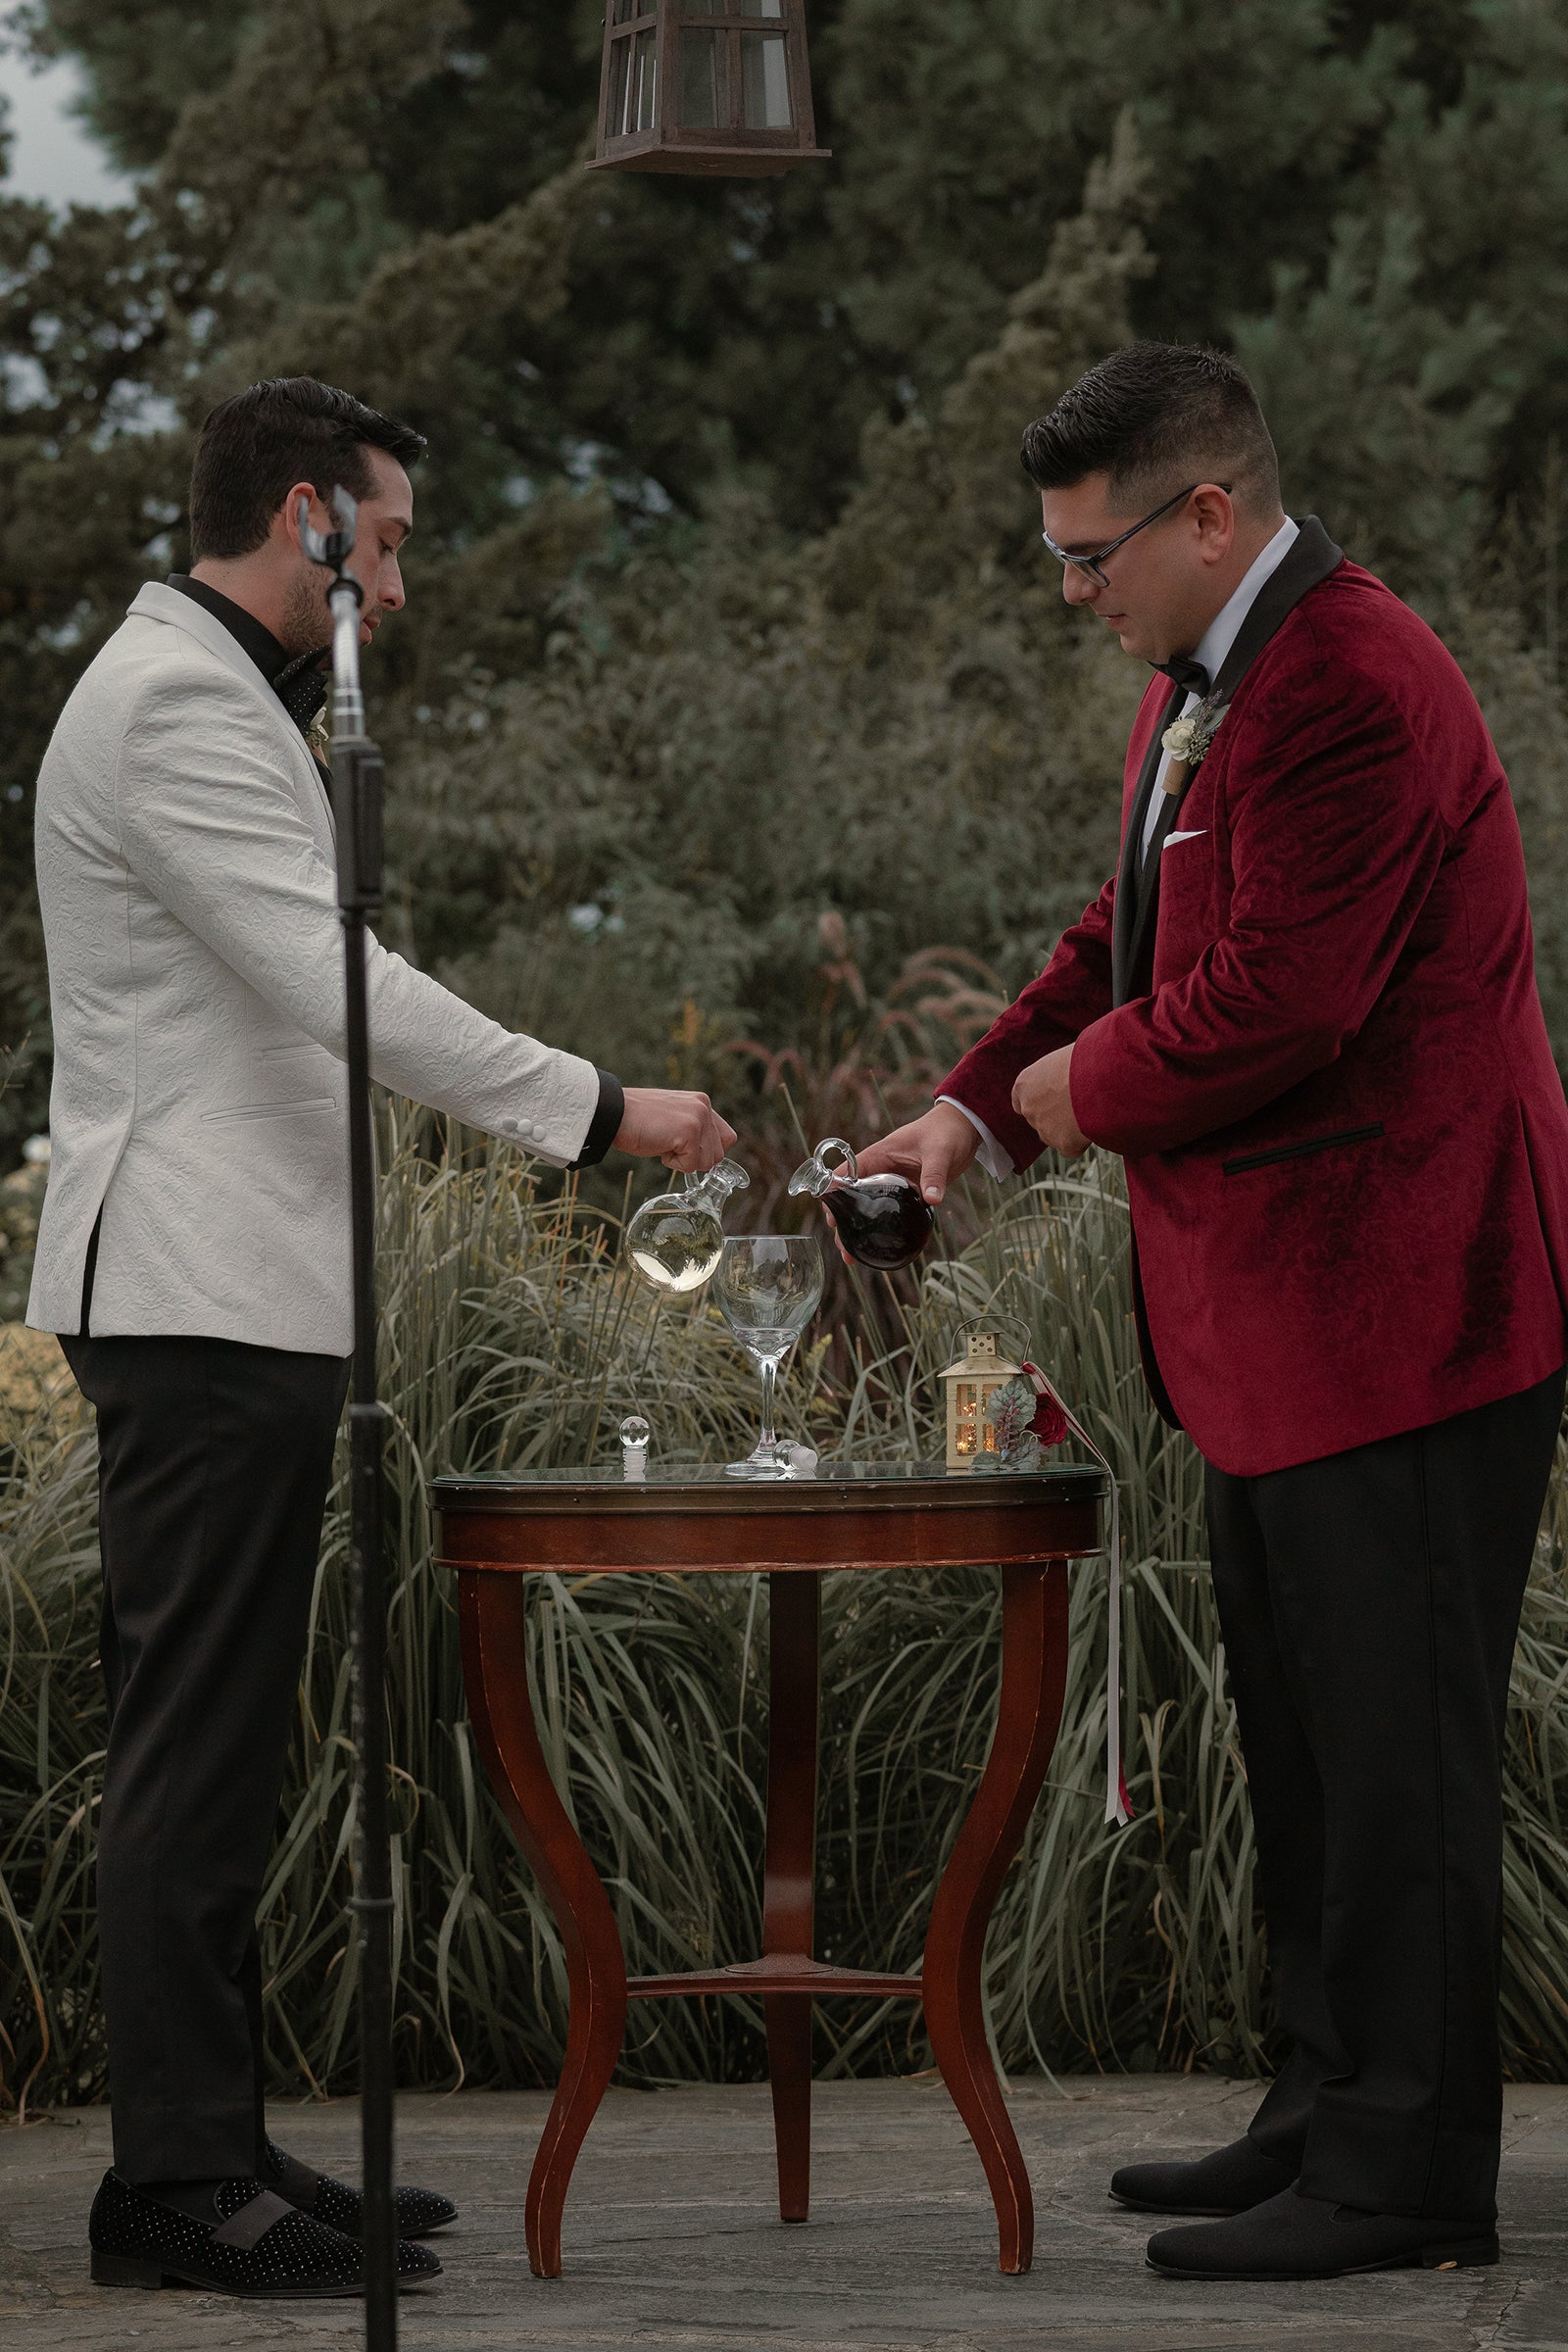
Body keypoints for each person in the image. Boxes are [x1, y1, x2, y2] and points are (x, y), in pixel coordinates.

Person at [854, 343, 1568, 2281]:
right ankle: (1316, 2107)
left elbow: (1275, 1001)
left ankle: (1407, 2181)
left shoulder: (1345, 684)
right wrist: (965, 1109)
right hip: (1269, 1337)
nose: (1067, 590)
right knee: (1305, 1740)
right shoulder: (1200, 687)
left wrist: (1076, 1099)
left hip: (1411, 1314)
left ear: (1205, 515)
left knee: (1398, 1756)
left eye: (1091, 555)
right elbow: (1123, 946)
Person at [27, 375, 735, 2300]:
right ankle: (174, 2193)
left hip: (222, 1288)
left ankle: (213, 2148)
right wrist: (601, 1109)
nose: (401, 587)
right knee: (196, 1751)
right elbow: (339, 985)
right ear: (304, 519)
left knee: (230, 1743)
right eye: (392, 541)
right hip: (193, 1288)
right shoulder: (175, 700)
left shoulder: (198, 686)